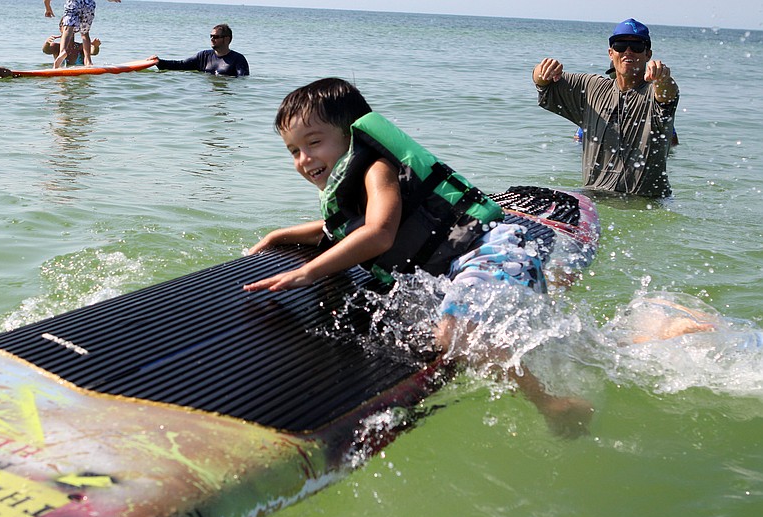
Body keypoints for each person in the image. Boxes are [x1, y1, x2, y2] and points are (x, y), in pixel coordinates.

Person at [243, 78, 592, 437]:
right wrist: (277, 235)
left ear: (352, 134)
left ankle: (551, 401)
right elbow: (337, 231)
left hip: (489, 251)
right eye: (293, 151)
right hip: (457, 266)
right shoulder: (351, 184)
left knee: (453, 335)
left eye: (314, 142)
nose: (304, 159)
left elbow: (379, 233)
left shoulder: (377, 169)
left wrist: (310, 272)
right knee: (479, 335)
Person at [533, 18, 679, 198]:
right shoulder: (591, 88)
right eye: (620, 45)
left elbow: (668, 96)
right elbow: (543, 84)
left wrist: (663, 79)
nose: (628, 51)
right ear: (611, 53)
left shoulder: (653, 92)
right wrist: (543, 71)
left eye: (637, 46)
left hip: (646, 202)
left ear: (648, 54)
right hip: (595, 197)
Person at [149, 24, 249, 77]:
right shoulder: (204, 56)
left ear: (227, 39)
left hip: (226, 93)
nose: (212, 39)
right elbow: (181, 65)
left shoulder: (238, 59)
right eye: (211, 36)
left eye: (216, 36)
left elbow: (242, 81)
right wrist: (159, 62)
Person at [44, 0, 121, 68]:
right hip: (88, 4)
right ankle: (88, 61)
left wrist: (47, 6)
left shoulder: (78, 47)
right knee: (85, 33)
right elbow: (46, 50)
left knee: (68, 27)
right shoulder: (56, 46)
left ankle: (62, 52)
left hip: (74, 2)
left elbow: (94, 51)